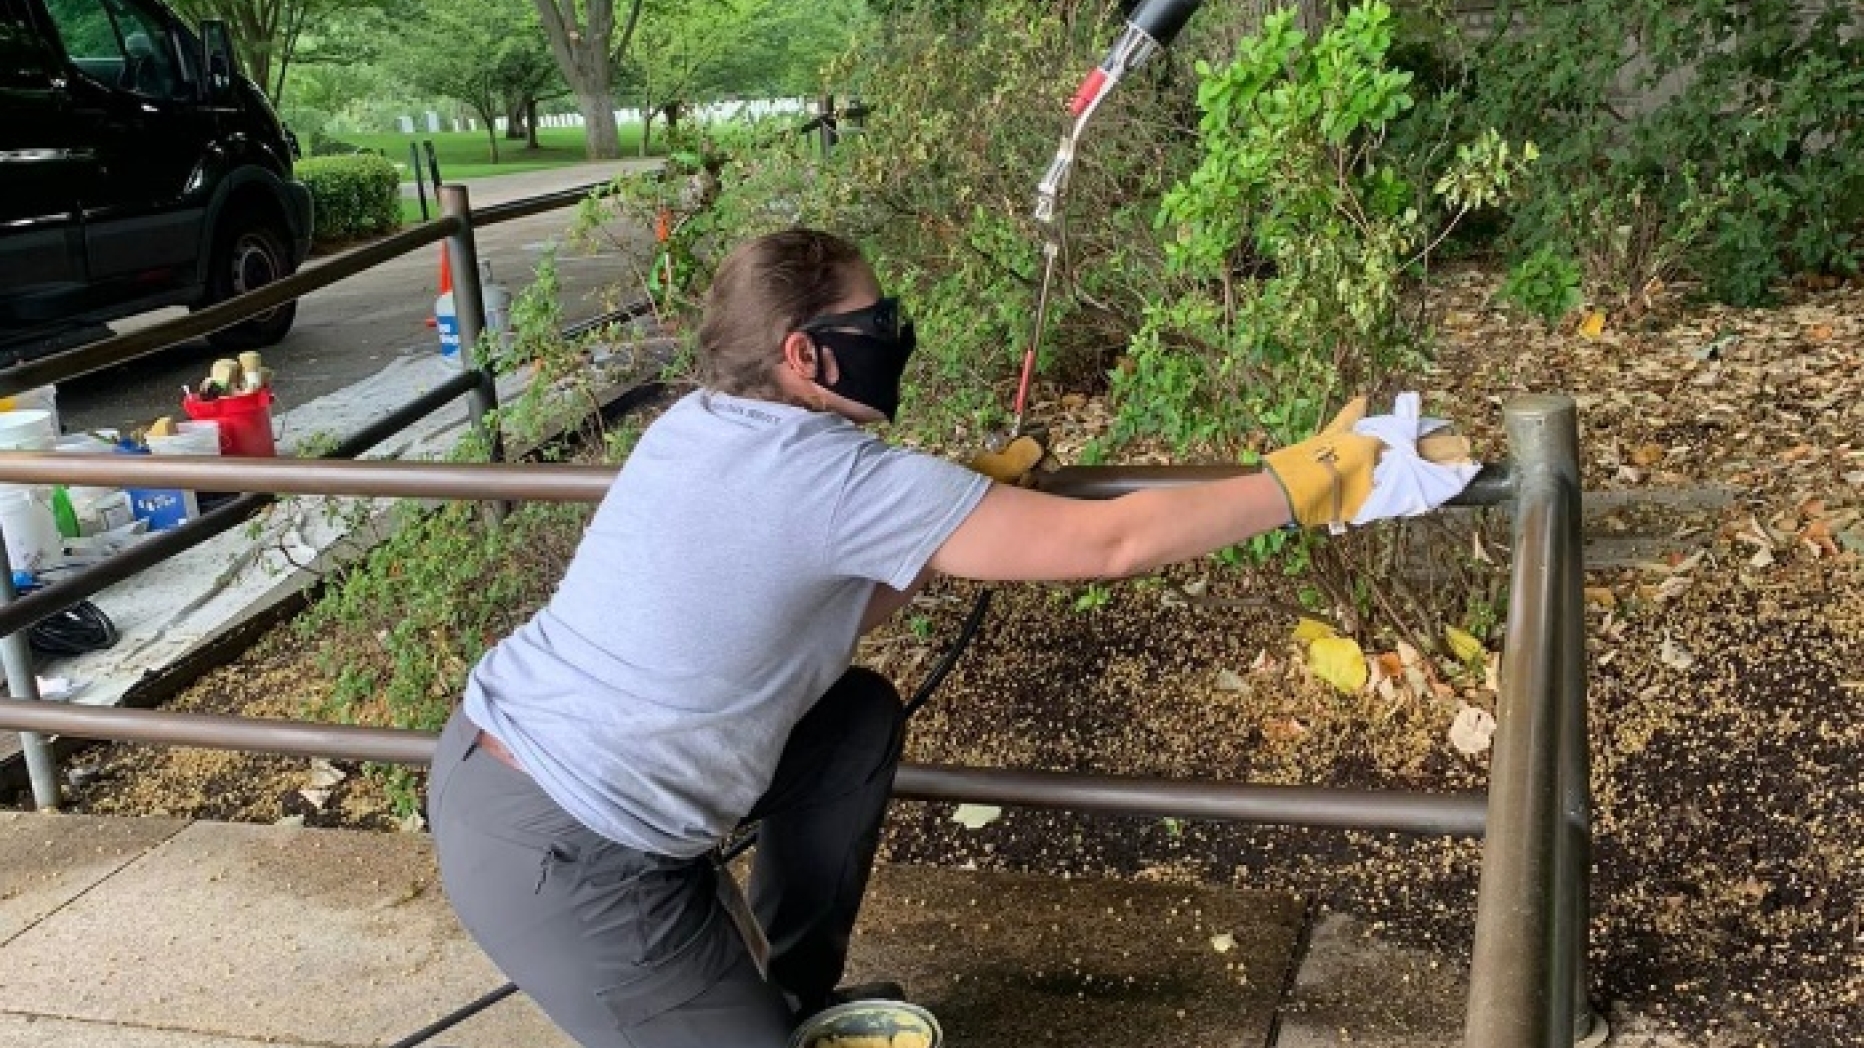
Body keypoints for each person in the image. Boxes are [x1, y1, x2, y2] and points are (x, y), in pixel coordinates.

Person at [426, 228, 1457, 1048]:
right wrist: (1310, 481)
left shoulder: (700, 424)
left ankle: (786, 992)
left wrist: (950, 520)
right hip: (574, 858)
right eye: (875, 316)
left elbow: (814, 604)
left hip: (493, 768)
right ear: (805, 352)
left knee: (853, 717)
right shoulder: (838, 476)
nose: (896, 329)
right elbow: (1108, 540)